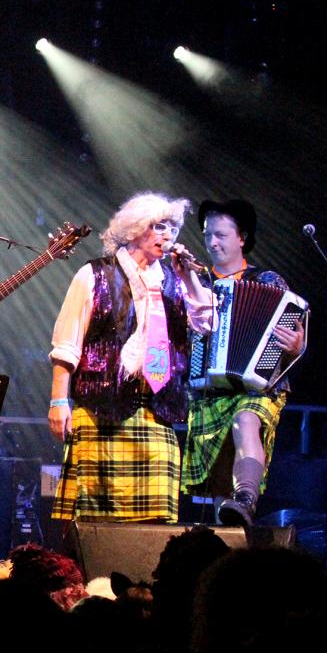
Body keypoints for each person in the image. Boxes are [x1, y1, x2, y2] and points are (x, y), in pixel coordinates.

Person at [48, 192, 214, 523]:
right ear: (135, 229)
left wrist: (189, 277)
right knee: (95, 521)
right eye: (160, 227)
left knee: (155, 522)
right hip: (102, 410)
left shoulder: (175, 281)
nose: (169, 236)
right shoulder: (93, 275)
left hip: (156, 409)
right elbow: (67, 344)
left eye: (173, 229)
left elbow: (206, 322)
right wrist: (57, 401)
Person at [181, 199, 306, 527]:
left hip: (259, 387)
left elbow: (293, 339)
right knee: (222, 476)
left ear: (242, 238)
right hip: (210, 390)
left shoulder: (268, 280)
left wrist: (296, 345)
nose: (212, 243)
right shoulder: (198, 283)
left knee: (245, 419)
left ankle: (247, 498)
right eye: (208, 235)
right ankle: (233, 527)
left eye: (220, 235)